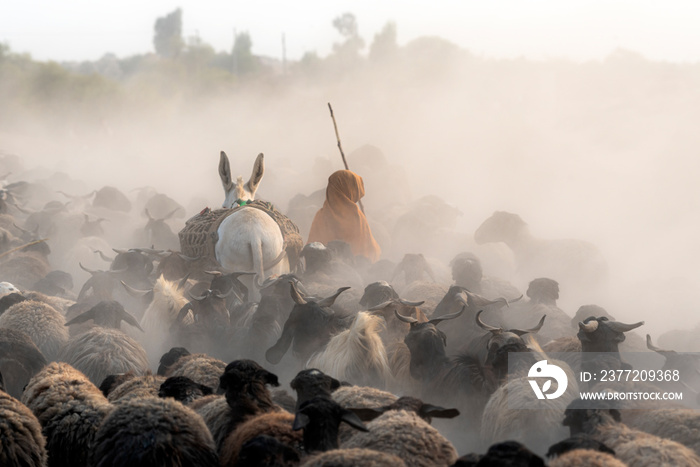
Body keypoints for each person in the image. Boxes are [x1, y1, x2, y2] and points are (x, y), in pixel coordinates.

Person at [307, 170, 381, 263]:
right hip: (356, 267)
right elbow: (370, 251)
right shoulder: (357, 216)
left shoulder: (321, 215)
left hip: (322, 266)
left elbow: (311, 248)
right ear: (349, 190)